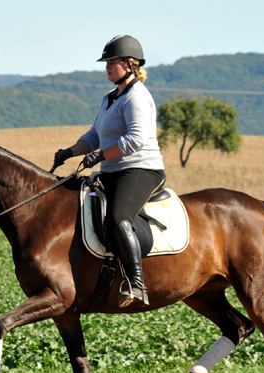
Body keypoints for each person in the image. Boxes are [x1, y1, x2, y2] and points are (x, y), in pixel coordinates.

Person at [53, 35, 165, 307]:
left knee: (117, 216)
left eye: (111, 62)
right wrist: (69, 152)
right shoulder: (109, 98)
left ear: (129, 64)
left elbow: (135, 141)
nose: (106, 67)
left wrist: (100, 154)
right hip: (113, 171)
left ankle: (137, 283)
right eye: (106, 62)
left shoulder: (137, 98)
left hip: (140, 170)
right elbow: (94, 136)